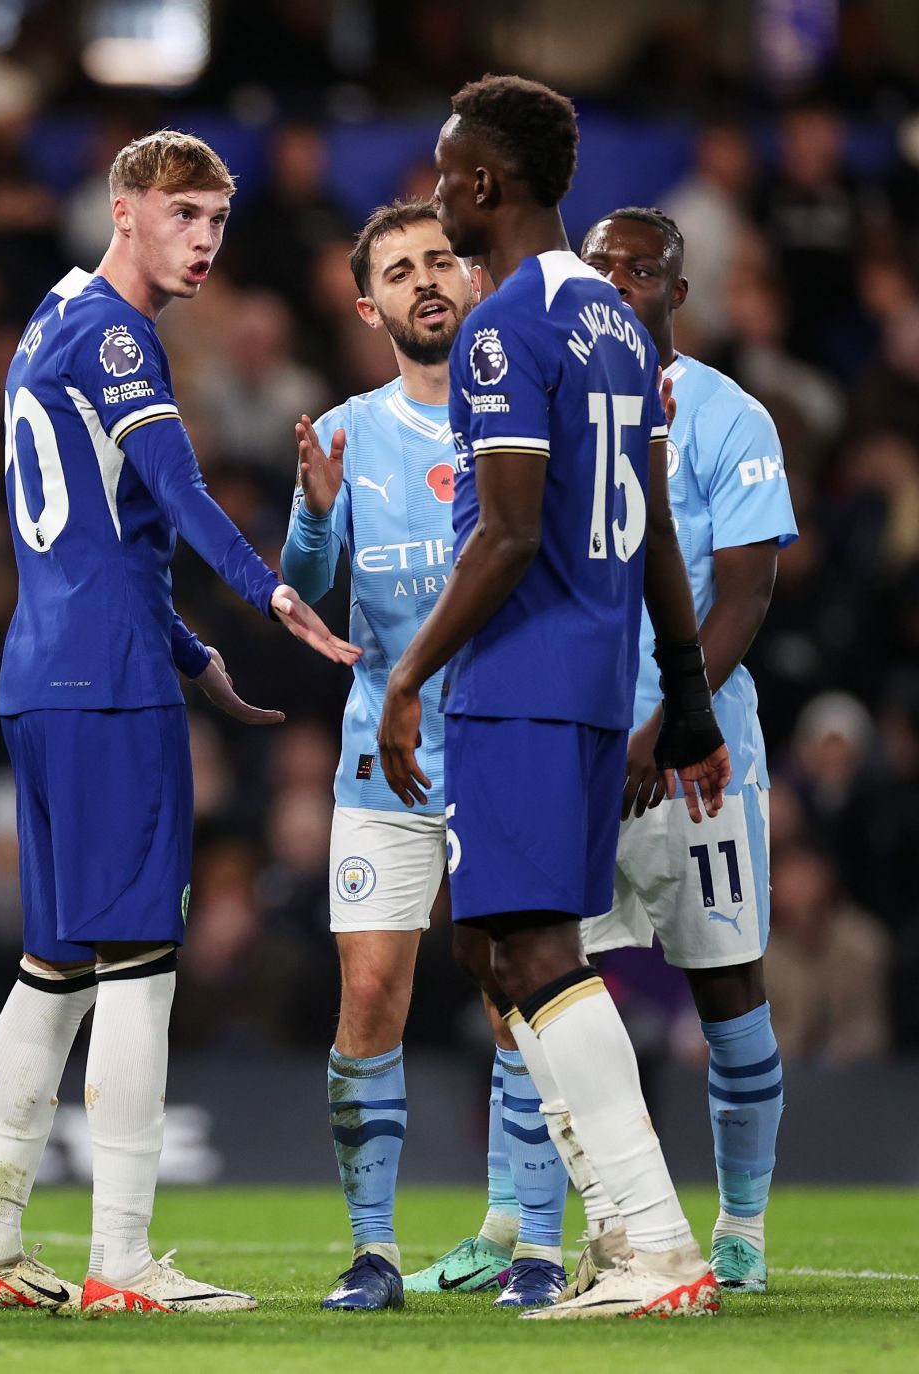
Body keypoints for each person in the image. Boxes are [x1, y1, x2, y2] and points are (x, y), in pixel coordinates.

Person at [0, 130, 358, 1317]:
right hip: (108, 683)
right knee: (139, 966)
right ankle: (122, 1261)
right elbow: (178, 485)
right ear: (123, 209)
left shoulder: (51, 319)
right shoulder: (120, 336)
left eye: (219, 222)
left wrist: (197, 646)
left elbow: (98, 537)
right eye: (184, 215)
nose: (205, 243)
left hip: (47, 670)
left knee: (55, 965)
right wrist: (272, 587)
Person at [378, 74, 732, 1320]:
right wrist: (682, 690)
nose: (434, 191)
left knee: (530, 947)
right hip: (593, 674)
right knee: (498, 942)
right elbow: (655, 538)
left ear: (486, 182)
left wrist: (409, 674)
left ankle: (652, 1244)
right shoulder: (621, 324)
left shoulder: (504, 326)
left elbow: (508, 535)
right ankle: (619, 1230)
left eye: (445, 170)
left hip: (520, 678)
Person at [278, 198, 566, 1312]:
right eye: (399, 270)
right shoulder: (349, 429)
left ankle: (538, 1249)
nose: (426, 279)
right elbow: (303, 591)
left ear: (473, 278)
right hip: (381, 760)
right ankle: (374, 1252)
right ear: (369, 306)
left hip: (502, 750)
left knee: (518, 994)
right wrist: (312, 516)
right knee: (369, 994)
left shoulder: (520, 411)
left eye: (441, 258)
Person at [573, 206, 796, 1294]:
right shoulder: (557, 407)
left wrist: (670, 728)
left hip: (698, 750)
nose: (620, 285)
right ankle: (549, 1231)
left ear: (676, 291)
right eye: (602, 268)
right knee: (544, 977)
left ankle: (742, 1228)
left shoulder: (731, 416)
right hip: (574, 741)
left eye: (641, 270)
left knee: (727, 988)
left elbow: (747, 588)